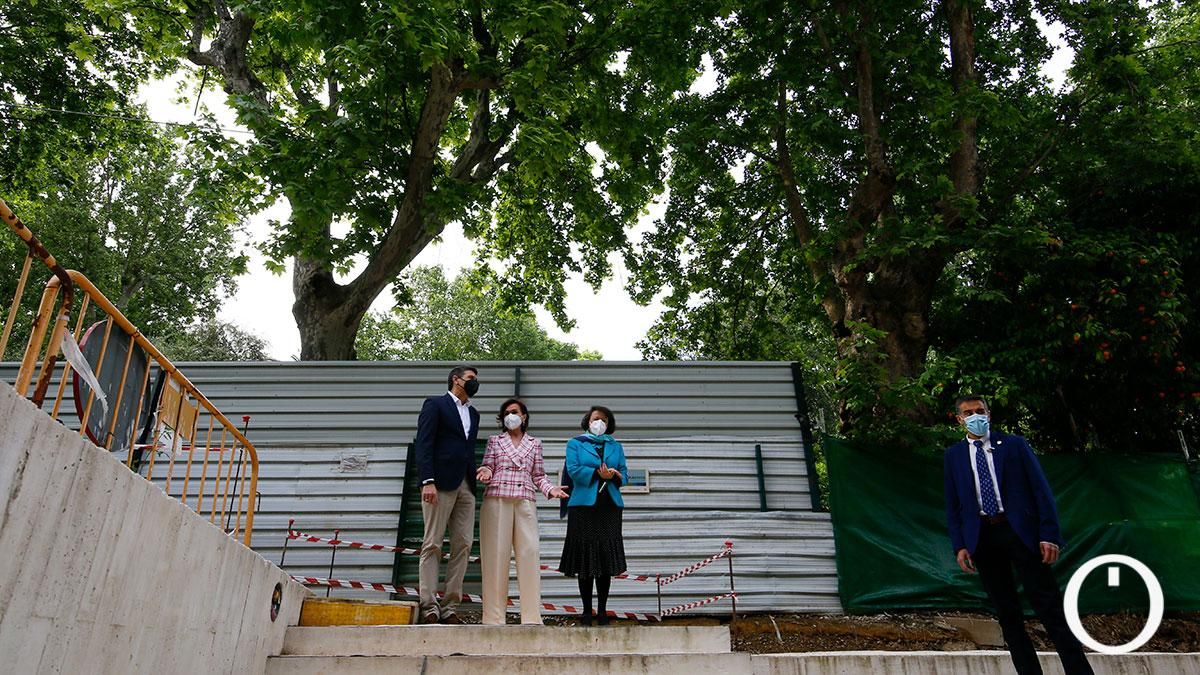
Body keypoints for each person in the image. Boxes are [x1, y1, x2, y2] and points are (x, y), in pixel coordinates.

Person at [943, 395, 1094, 675]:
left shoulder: (1013, 445)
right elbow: (954, 505)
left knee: (1049, 607)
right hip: (983, 537)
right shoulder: (953, 456)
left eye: (980, 411)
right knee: (1007, 614)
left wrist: (1049, 533)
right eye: (968, 413)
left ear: (989, 414)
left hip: (1020, 533)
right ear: (959, 419)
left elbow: (1040, 490)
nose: (976, 416)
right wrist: (959, 545)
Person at [476, 399, 569, 625]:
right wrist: (485, 471)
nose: (510, 416)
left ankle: (531, 617)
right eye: (506, 413)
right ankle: (493, 618)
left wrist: (551, 489)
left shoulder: (535, 443)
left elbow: (538, 475)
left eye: (514, 412)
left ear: (524, 416)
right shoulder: (495, 441)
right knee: (496, 557)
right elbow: (488, 464)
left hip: (525, 500)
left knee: (529, 554)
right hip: (497, 498)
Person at [414, 365, 481, 625]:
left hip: (466, 485)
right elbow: (424, 443)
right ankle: (428, 606)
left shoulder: (474, 414)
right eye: (471, 378)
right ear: (456, 380)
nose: (475, 383)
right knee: (432, 543)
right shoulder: (435, 404)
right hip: (438, 483)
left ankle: (450, 606)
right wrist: (427, 480)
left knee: (463, 544)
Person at [559, 405, 629, 626]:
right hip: (583, 507)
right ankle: (587, 611)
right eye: (596, 418)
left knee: (605, 560)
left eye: (605, 420)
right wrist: (597, 474)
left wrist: (615, 475)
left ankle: (602, 610)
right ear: (588, 421)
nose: (600, 423)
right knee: (585, 560)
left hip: (609, 506)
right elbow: (573, 470)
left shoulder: (616, 446)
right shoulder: (575, 444)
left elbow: (625, 474)